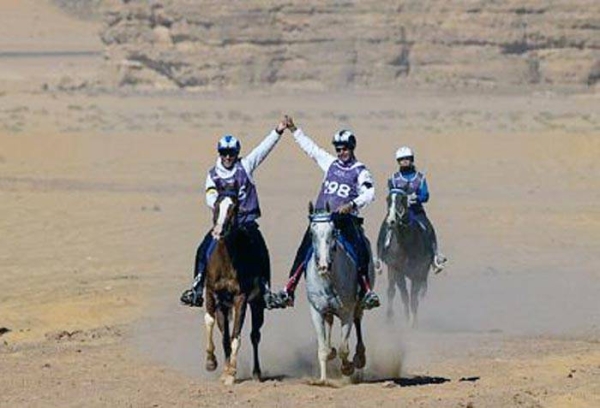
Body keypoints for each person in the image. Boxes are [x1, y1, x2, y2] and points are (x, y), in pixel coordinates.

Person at [180, 119, 287, 308]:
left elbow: (263, 150)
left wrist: (277, 132)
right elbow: (210, 197)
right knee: (203, 249)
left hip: (246, 222)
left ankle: (267, 291)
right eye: (224, 153)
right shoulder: (213, 174)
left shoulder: (245, 166)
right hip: (223, 225)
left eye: (231, 153)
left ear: (237, 153)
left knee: (262, 251)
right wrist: (224, 209)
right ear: (219, 153)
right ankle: (196, 288)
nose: (228, 157)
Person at [276, 116, 380, 310]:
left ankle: (366, 291)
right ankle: (288, 289)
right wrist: (294, 129)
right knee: (303, 250)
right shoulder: (330, 163)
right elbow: (312, 150)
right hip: (322, 219)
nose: (341, 153)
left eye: (345, 149)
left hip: (345, 220)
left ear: (352, 148)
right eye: (338, 149)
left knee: (360, 249)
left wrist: (351, 204)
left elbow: (370, 193)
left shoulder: (360, 171)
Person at [389, 146, 447, 273]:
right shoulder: (394, 178)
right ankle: (382, 255)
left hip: (416, 212)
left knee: (428, 228)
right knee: (387, 229)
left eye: (407, 159)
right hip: (399, 212)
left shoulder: (420, 178)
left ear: (411, 160)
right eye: (401, 159)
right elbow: (391, 193)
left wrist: (417, 198)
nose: (404, 161)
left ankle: (435, 257)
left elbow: (425, 195)